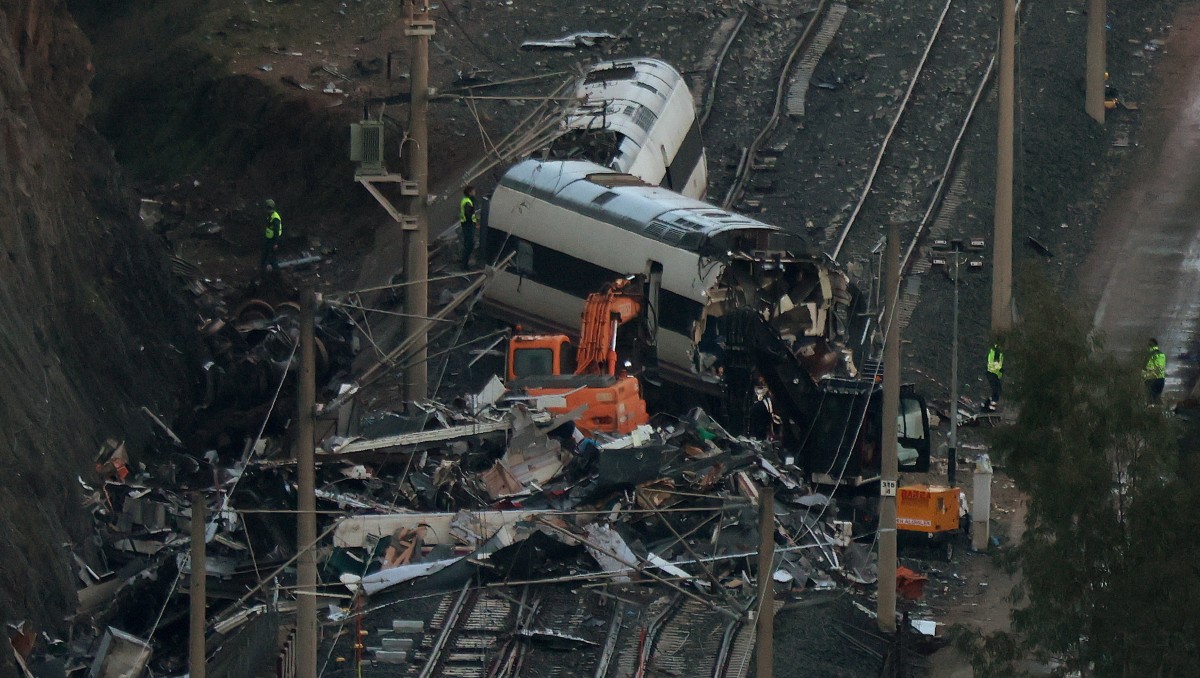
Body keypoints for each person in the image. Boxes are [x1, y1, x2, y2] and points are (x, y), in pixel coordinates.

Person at [460, 186, 479, 269]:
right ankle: (464, 265)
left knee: (469, 244)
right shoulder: (468, 202)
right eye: (473, 192)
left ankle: (464, 263)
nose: (475, 193)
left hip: (467, 224)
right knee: (469, 245)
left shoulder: (466, 200)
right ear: (470, 192)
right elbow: (469, 214)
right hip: (468, 225)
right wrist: (474, 223)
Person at [261, 198, 282, 271]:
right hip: (269, 238)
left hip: (273, 239)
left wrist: (275, 243)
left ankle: (276, 271)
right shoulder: (270, 215)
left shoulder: (275, 218)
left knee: (272, 257)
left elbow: (276, 231)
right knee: (265, 254)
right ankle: (263, 268)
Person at [1143, 337, 1166, 403]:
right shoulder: (1161, 354)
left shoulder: (1148, 355)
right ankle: (1158, 409)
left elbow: (1145, 367)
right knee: (1157, 398)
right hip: (1160, 380)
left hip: (1152, 380)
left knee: (1150, 399)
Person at [985, 341, 1004, 410]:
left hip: (994, 374)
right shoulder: (996, 351)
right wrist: (1000, 368)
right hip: (992, 373)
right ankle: (991, 405)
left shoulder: (998, 352)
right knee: (996, 390)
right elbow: (994, 364)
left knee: (997, 390)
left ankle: (991, 404)